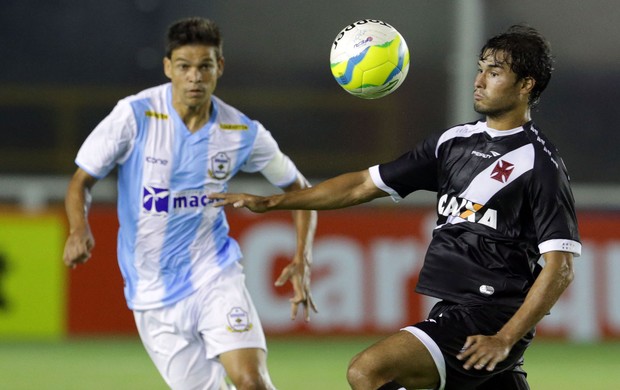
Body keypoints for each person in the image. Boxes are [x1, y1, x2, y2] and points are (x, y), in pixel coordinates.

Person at [210, 25, 581, 390]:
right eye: (480, 68)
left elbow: (560, 269)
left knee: (368, 370)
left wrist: (504, 337)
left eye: (495, 72)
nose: (479, 80)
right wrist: (273, 201)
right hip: (454, 309)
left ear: (526, 85)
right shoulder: (453, 143)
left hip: (490, 315)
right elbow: (360, 185)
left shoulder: (540, 164)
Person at [63, 17, 317, 390]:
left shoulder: (241, 131)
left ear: (220, 68)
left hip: (214, 274)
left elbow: (300, 190)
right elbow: (80, 181)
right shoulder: (134, 115)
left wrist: (302, 259)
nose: (195, 77)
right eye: (184, 67)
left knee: (252, 382)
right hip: (152, 293)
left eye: (205, 66)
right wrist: (78, 228)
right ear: (169, 68)